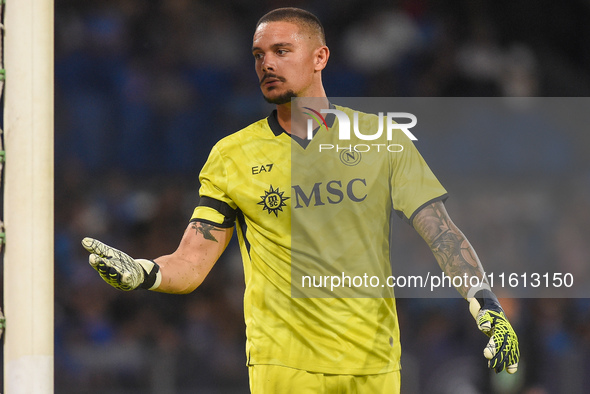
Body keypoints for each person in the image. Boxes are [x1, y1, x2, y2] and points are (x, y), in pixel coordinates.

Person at [82, 7, 519, 393]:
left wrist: (486, 304)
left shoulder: (383, 139)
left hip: (373, 361)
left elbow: (440, 230)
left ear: (320, 57)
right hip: (284, 364)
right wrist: (143, 272)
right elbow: (192, 262)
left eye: (281, 51)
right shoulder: (232, 155)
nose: (266, 64)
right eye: (258, 55)